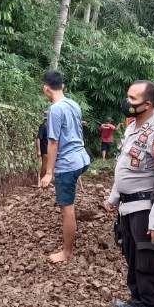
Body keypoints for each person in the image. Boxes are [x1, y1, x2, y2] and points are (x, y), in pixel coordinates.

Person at [103, 80, 154, 307]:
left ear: (147, 104)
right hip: (127, 206)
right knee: (131, 256)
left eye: (132, 100)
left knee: (147, 260)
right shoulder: (132, 128)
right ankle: (137, 299)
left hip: (145, 207)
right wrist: (114, 197)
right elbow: (124, 167)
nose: (127, 103)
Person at [39, 70, 90, 264]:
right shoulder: (73, 104)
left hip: (67, 164)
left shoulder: (55, 109)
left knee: (67, 210)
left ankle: (67, 253)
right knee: (68, 204)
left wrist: (49, 172)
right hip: (82, 158)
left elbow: (53, 142)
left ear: (46, 88)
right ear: (63, 87)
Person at [35, 112, 48, 179]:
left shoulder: (48, 127)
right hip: (44, 150)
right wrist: (39, 150)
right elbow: (38, 138)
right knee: (44, 167)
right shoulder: (42, 127)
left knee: (48, 167)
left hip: (49, 150)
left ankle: (46, 181)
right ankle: (42, 180)